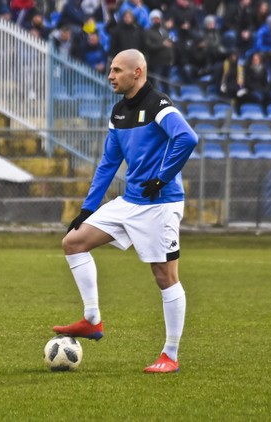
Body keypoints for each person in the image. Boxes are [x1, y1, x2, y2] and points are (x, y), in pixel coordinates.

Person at [52, 48, 198, 374]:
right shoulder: (119, 112)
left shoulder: (159, 105)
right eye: (110, 70)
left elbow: (186, 138)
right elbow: (109, 162)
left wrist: (161, 177)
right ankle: (92, 320)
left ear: (138, 73)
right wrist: (89, 207)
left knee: (165, 277)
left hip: (160, 205)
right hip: (130, 202)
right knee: (73, 242)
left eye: (117, 70)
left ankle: (170, 356)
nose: (110, 76)